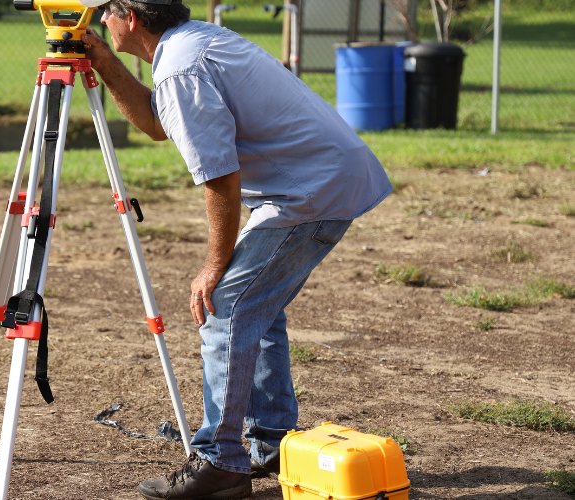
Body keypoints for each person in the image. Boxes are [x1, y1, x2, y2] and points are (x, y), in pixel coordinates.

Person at [79, 0, 392, 498]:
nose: (98, 22)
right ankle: (271, 442)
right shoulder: (194, 42)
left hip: (307, 193)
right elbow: (159, 123)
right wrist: (107, 64)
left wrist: (213, 265)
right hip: (320, 180)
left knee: (224, 306)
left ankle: (219, 462)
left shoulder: (183, 65)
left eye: (104, 13)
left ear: (130, 18)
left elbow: (220, 174)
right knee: (256, 309)